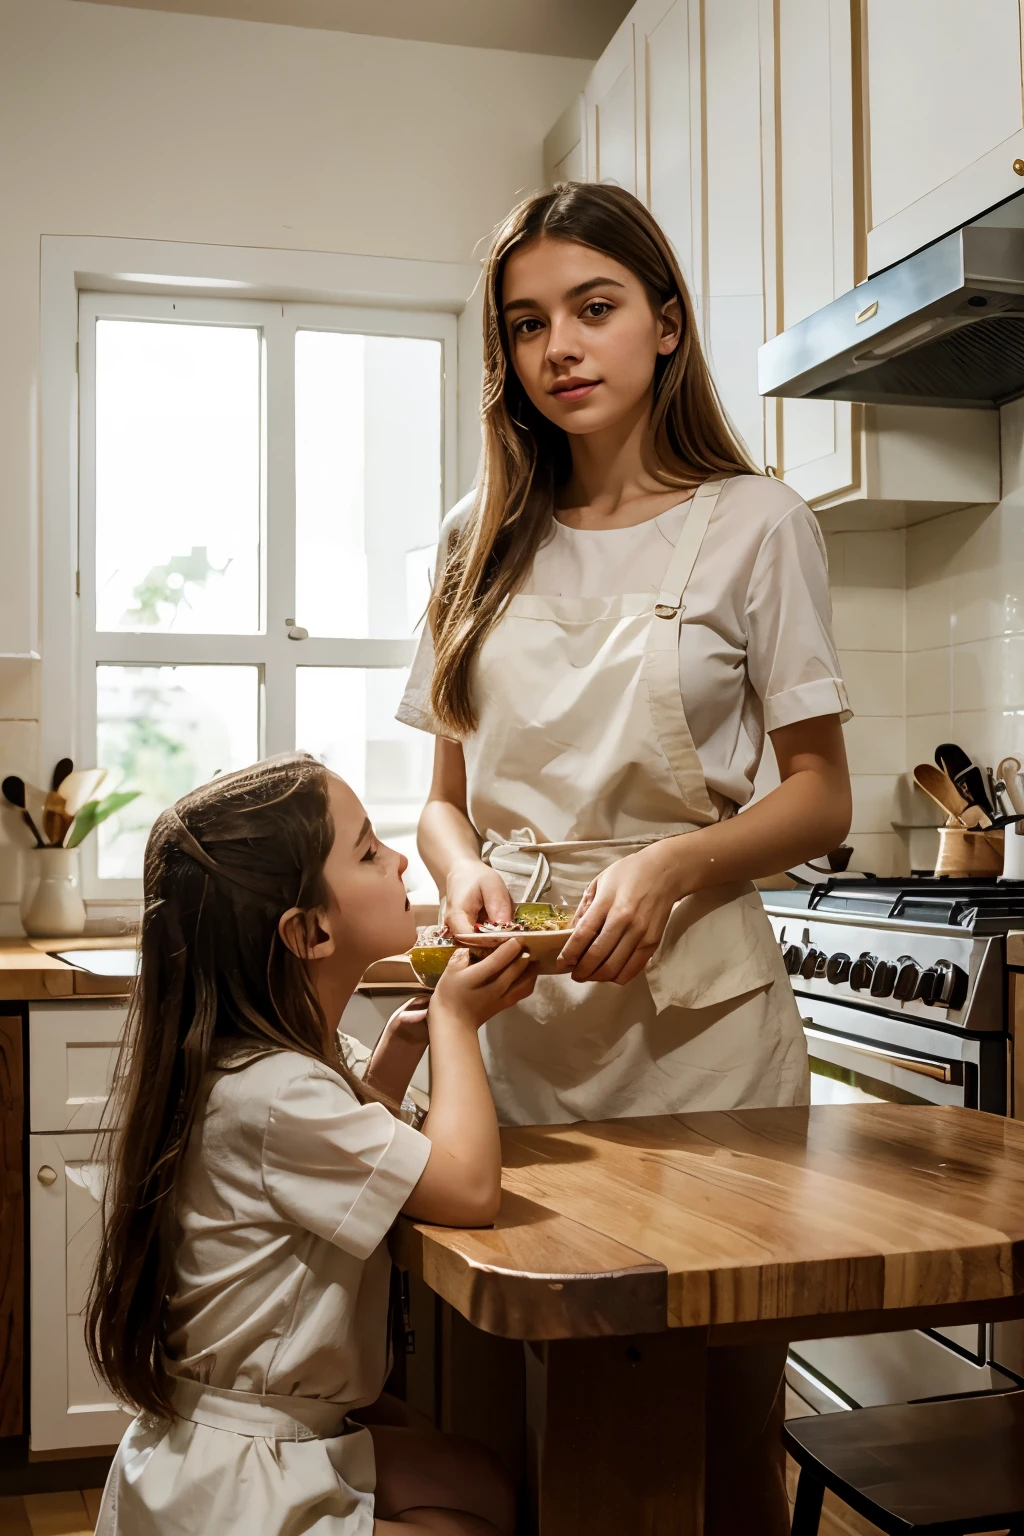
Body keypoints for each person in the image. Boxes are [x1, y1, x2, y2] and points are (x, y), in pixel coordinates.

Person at [397, 182, 853, 1534]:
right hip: (516, 1026)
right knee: (507, 1408)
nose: (560, 347)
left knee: (716, 1421)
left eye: (593, 308)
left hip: (703, 1031)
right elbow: (438, 797)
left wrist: (670, 870)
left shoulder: (758, 522)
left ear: (665, 322)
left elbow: (821, 796)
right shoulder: (473, 536)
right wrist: (463, 869)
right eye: (527, 323)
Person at [87, 753, 535, 1536]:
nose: (399, 858)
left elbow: (343, 1161)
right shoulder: (280, 1092)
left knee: (485, 1484)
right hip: (242, 1483)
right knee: (473, 1522)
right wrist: (459, 1024)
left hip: (248, 1439)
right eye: (367, 851)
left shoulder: (287, 1060)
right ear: (310, 931)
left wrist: (392, 1068)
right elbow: (468, 1191)